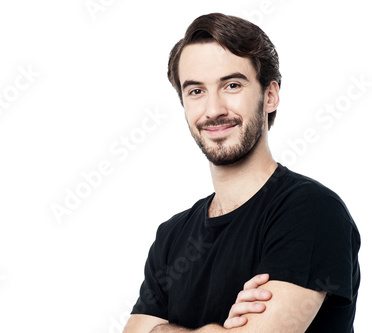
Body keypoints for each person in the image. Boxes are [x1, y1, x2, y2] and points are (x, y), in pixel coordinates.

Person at [122, 13, 360, 332]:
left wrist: (162, 330)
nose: (213, 109)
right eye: (196, 91)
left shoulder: (310, 210)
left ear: (270, 95)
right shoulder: (172, 235)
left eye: (232, 84)